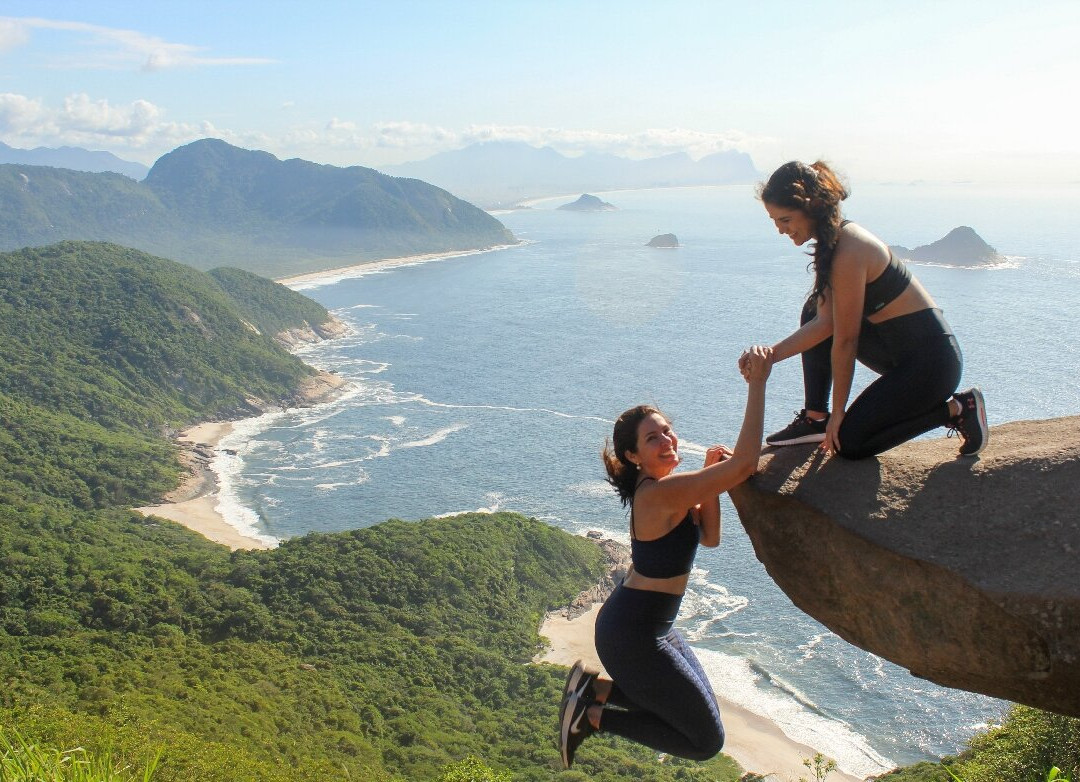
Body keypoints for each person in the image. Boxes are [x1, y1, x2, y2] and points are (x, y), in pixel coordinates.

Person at [557, 346, 771, 769]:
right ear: (633, 456)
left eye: (667, 431)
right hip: (634, 634)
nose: (667, 440)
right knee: (705, 741)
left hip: (650, 626)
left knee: (694, 711)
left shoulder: (671, 490)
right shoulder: (659, 494)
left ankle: (594, 690)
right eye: (652, 438)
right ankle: (593, 716)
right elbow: (745, 464)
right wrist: (758, 383)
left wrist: (711, 477)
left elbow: (709, 538)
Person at [746, 160, 987, 459]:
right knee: (815, 309)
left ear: (814, 206)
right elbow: (825, 324)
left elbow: (845, 340)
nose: (781, 230)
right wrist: (769, 357)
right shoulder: (832, 243)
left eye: (785, 219)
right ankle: (814, 419)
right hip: (900, 356)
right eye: (775, 221)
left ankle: (958, 409)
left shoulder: (850, 249)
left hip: (932, 366)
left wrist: (839, 413)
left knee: (849, 441)